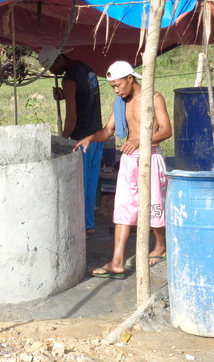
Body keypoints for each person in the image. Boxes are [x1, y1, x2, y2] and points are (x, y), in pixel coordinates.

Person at [73, 61, 172, 279]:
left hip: (150, 157)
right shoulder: (120, 103)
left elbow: (166, 131)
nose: (116, 90)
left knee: (154, 208)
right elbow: (108, 131)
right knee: (123, 210)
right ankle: (117, 262)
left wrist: (140, 140)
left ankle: (161, 246)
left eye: (118, 85)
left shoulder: (153, 98)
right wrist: (90, 138)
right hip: (128, 160)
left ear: (130, 78)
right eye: (112, 87)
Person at [38, 45, 104, 235]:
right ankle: (88, 225)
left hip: (81, 139)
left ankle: (77, 226)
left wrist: (63, 141)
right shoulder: (86, 68)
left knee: (78, 186)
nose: (52, 72)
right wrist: (65, 96)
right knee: (91, 184)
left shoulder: (69, 79)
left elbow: (72, 118)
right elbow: (85, 99)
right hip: (97, 135)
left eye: (51, 68)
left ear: (58, 60)